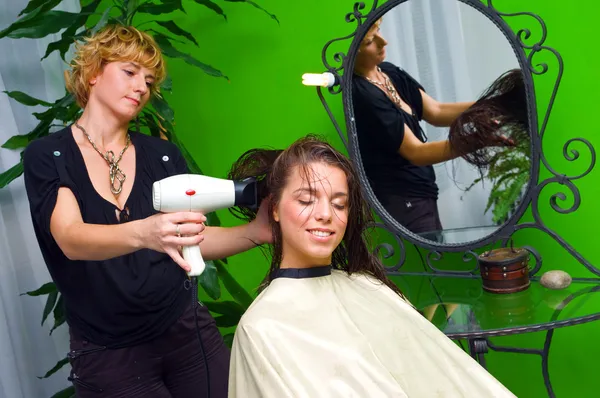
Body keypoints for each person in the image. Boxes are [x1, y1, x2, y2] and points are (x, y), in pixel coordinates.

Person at [22, 24, 271, 397]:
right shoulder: (50, 155)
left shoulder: (161, 154)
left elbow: (189, 238)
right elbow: (71, 238)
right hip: (108, 353)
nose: (142, 87)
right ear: (92, 73)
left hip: (186, 333)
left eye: (150, 81)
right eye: (130, 72)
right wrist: (146, 232)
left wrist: (259, 231)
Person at [225, 135, 516, 397]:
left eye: (339, 204)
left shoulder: (368, 287)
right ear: (274, 208)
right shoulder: (262, 328)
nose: (326, 214)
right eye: (306, 200)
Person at [352, 19, 527, 241]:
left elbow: (436, 111)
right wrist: (474, 141)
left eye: (378, 31)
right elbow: (416, 152)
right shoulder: (362, 94)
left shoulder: (389, 73)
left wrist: (497, 106)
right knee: (429, 264)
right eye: (370, 40)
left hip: (423, 194)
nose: (383, 41)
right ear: (352, 51)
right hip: (401, 199)